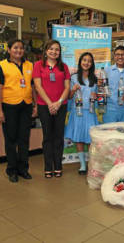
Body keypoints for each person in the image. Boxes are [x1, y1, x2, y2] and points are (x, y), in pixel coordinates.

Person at [0, 39, 37, 182]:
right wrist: (0, 111)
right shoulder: (2, 65)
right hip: (9, 106)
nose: (18, 51)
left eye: (21, 48)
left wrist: (35, 105)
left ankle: (23, 169)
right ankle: (12, 170)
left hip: (26, 105)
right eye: (15, 48)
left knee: (24, 139)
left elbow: (32, 86)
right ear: (9, 50)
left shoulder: (29, 65)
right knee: (11, 140)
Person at [33, 40, 70, 178]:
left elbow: (67, 87)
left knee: (58, 137)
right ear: (46, 50)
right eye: (51, 49)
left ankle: (58, 166)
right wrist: (50, 104)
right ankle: (48, 167)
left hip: (61, 105)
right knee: (47, 137)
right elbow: (38, 87)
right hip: (44, 106)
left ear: (59, 52)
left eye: (57, 50)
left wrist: (58, 103)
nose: (54, 52)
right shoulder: (38, 65)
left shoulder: (63, 67)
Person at [64, 52, 98, 175]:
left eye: (89, 61)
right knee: (79, 138)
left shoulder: (95, 79)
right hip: (77, 112)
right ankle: (83, 165)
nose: (86, 63)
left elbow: (99, 97)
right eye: (84, 60)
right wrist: (73, 90)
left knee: (90, 139)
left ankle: (91, 164)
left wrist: (96, 96)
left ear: (92, 64)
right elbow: (68, 96)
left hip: (89, 112)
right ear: (80, 62)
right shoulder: (73, 78)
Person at [103, 46, 124, 123]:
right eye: (117, 54)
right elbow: (101, 88)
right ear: (114, 56)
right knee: (109, 133)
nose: (120, 57)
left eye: (123, 55)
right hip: (110, 110)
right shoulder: (106, 71)